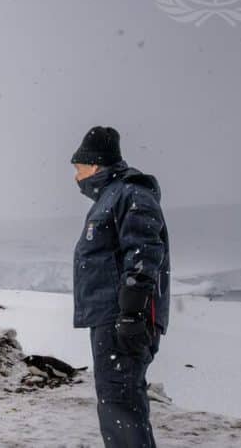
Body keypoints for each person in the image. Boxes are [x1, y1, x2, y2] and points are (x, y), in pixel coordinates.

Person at [71, 126, 170, 448]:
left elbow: (144, 250)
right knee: (116, 401)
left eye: (79, 168)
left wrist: (132, 312)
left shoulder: (131, 193)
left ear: (96, 165)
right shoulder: (111, 197)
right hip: (110, 316)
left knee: (121, 402)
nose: (76, 177)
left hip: (123, 319)